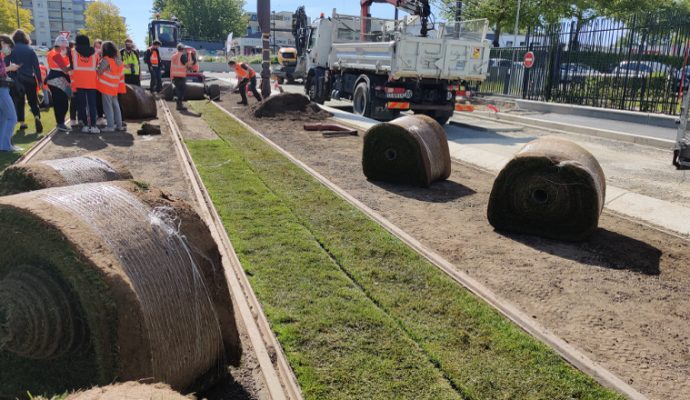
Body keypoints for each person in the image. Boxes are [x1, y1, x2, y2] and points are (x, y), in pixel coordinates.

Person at [6, 29, 43, 132]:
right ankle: (36, 117)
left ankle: (22, 123)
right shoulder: (30, 49)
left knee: (19, 101)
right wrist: (39, 80)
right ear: (25, 38)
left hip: (16, 80)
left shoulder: (11, 49)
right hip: (30, 79)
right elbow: (36, 66)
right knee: (32, 100)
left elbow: (6, 64)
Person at [72, 34, 99, 134]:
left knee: (82, 105)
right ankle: (94, 126)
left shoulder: (73, 52)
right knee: (92, 105)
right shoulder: (95, 53)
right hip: (92, 82)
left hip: (79, 82)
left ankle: (85, 125)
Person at [45, 35, 72, 132]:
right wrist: (73, 65)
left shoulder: (55, 53)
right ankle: (60, 123)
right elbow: (65, 70)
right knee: (61, 103)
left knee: (62, 102)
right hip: (56, 80)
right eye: (64, 47)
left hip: (58, 80)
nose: (66, 49)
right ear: (59, 46)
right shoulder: (55, 54)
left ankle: (61, 122)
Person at [97, 41, 125, 132]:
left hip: (106, 87)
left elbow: (99, 72)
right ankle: (119, 126)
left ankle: (110, 126)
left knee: (107, 107)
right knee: (116, 107)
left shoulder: (106, 60)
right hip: (114, 87)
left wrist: (96, 66)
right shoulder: (119, 60)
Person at [0, 35, 19, 151]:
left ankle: (3, 145)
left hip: (3, 89)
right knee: (12, 118)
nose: (9, 49)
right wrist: (9, 68)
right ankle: (6, 146)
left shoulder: (1, 56)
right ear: (2, 42)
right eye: (9, 46)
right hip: (1, 90)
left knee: (3, 118)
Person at [170, 43, 189, 111]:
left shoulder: (173, 56)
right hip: (181, 76)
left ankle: (178, 105)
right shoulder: (183, 56)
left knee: (178, 90)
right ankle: (179, 105)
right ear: (183, 49)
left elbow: (171, 67)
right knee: (182, 91)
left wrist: (171, 76)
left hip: (175, 75)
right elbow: (187, 65)